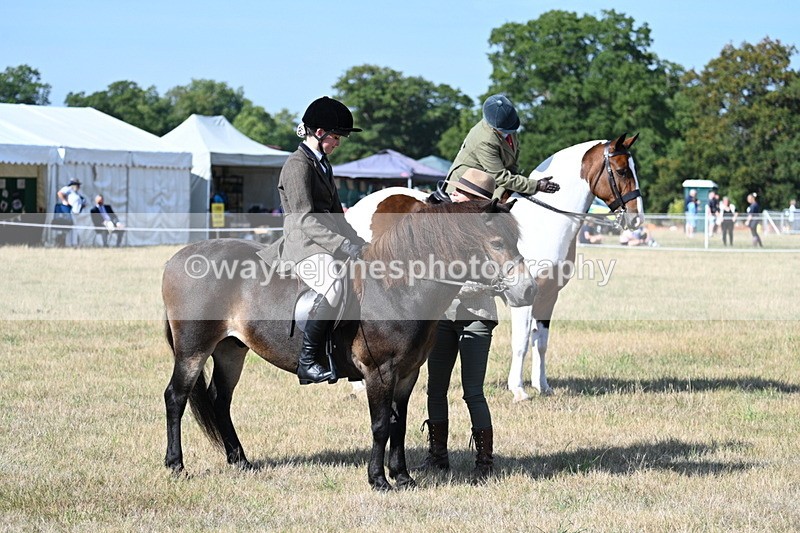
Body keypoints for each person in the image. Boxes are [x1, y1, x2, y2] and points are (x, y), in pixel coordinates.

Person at [269, 96, 366, 385]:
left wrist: (359, 242)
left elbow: (337, 215)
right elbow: (303, 219)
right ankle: (308, 361)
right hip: (304, 243)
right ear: (319, 133)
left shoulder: (322, 164)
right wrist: (342, 245)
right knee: (334, 286)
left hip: (326, 240)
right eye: (336, 137)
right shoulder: (297, 165)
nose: (338, 143)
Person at [418, 168, 503, 481]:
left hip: (476, 318)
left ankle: (484, 463)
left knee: (473, 392)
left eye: (459, 193)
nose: (452, 196)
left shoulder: (491, 231)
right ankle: (437, 457)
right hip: (442, 316)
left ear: (475, 200)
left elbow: (494, 278)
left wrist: (447, 283)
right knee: (435, 389)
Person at [445, 94, 560, 201]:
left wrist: (520, 182)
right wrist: (536, 185)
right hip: (467, 188)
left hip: (491, 181)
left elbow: (513, 162)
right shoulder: (485, 140)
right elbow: (500, 176)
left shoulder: (509, 126)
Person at [55, 178, 86, 246]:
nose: (79, 187)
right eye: (77, 185)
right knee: (69, 228)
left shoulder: (76, 193)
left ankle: (74, 243)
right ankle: (64, 242)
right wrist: (64, 201)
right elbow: (60, 193)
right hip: (69, 211)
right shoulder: (68, 189)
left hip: (77, 213)